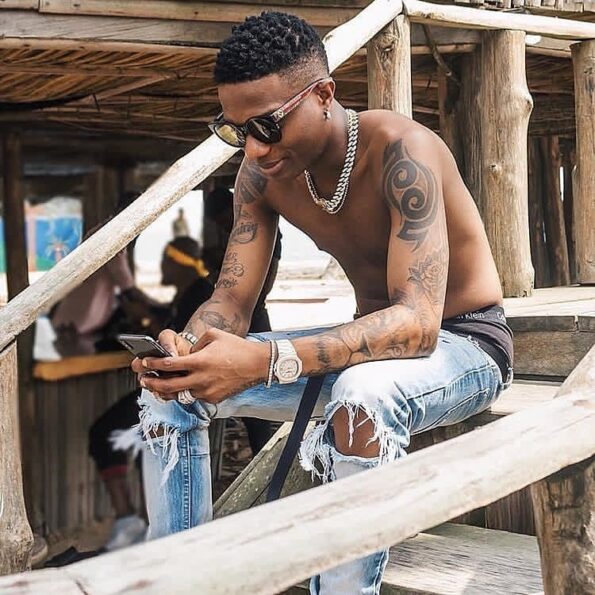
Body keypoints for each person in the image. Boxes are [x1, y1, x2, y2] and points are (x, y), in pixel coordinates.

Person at [132, 12, 513, 594]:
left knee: (362, 398)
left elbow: (418, 325)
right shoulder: (260, 176)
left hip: (466, 342)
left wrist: (267, 361)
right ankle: (178, 582)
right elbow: (230, 299)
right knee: (170, 390)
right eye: (236, 131)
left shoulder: (402, 152)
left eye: (267, 125)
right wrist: (189, 348)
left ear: (324, 95)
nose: (255, 148)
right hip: (370, 345)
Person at [89, 236, 213, 551]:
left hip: (177, 395)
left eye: (165, 261)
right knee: (139, 439)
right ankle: (140, 523)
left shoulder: (198, 296)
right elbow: (160, 316)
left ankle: (130, 522)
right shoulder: (190, 294)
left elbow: (178, 338)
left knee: (107, 433)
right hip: (170, 392)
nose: (160, 266)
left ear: (178, 263)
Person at [203, 184, 282, 453]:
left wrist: (247, 301)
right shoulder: (232, 235)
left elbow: (263, 283)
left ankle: (264, 452)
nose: (223, 226)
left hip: (255, 317)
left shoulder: (263, 230)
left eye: (223, 220)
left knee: (259, 389)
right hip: (246, 314)